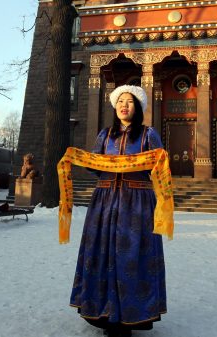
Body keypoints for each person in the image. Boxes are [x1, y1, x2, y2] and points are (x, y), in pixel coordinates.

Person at [69, 85, 167, 337]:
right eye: (120, 101)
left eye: (130, 102)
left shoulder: (148, 134)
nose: (124, 105)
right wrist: (81, 159)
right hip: (104, 200)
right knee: (102, 252)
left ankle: (130, 316)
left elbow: (159, 167)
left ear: (138, 107)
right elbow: (94, 164)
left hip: (137, 202)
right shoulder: (105, 135)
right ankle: (103, 311)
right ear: (115, 106)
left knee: (131, 257)